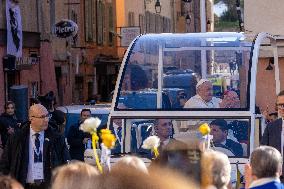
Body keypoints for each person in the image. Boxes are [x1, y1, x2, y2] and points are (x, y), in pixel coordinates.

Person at [0, 104, 70, 189]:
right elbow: (5, 164)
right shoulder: (16, 138)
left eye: (47, 116)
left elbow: (66, 163)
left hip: (49, 185)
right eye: (42, 117)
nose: (46, 120)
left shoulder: (57, 138)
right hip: (23, 185)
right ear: (31, 118)